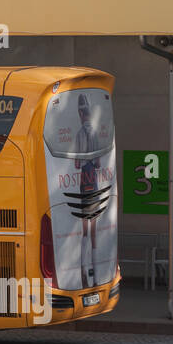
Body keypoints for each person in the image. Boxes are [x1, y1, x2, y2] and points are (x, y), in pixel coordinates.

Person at [73, 94, 101, 287]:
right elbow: (98, 162)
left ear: (81, 114)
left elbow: (76, 163)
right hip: (95, 182)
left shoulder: (79, 135)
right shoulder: (96, 134)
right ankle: (96, 275)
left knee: (84, 230)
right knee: (93, 232)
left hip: (84, 179)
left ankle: (83, 272)